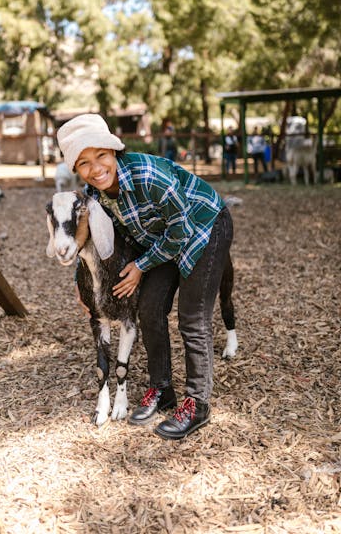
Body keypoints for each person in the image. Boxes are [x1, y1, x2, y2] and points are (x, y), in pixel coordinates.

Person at [57, 113, 234, 441]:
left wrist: (141, 267)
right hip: (160, 238)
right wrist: (83, 291)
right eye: (84, 163)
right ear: (76, 170)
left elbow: (181, 229)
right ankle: (162, 388)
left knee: (192, 318)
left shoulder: (148, 174)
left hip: (203, 227)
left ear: (114, 152)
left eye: (101, 156)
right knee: (149, 309)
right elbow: (90, 243)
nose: (95, 168)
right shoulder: (93, 198)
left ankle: (197, 404)